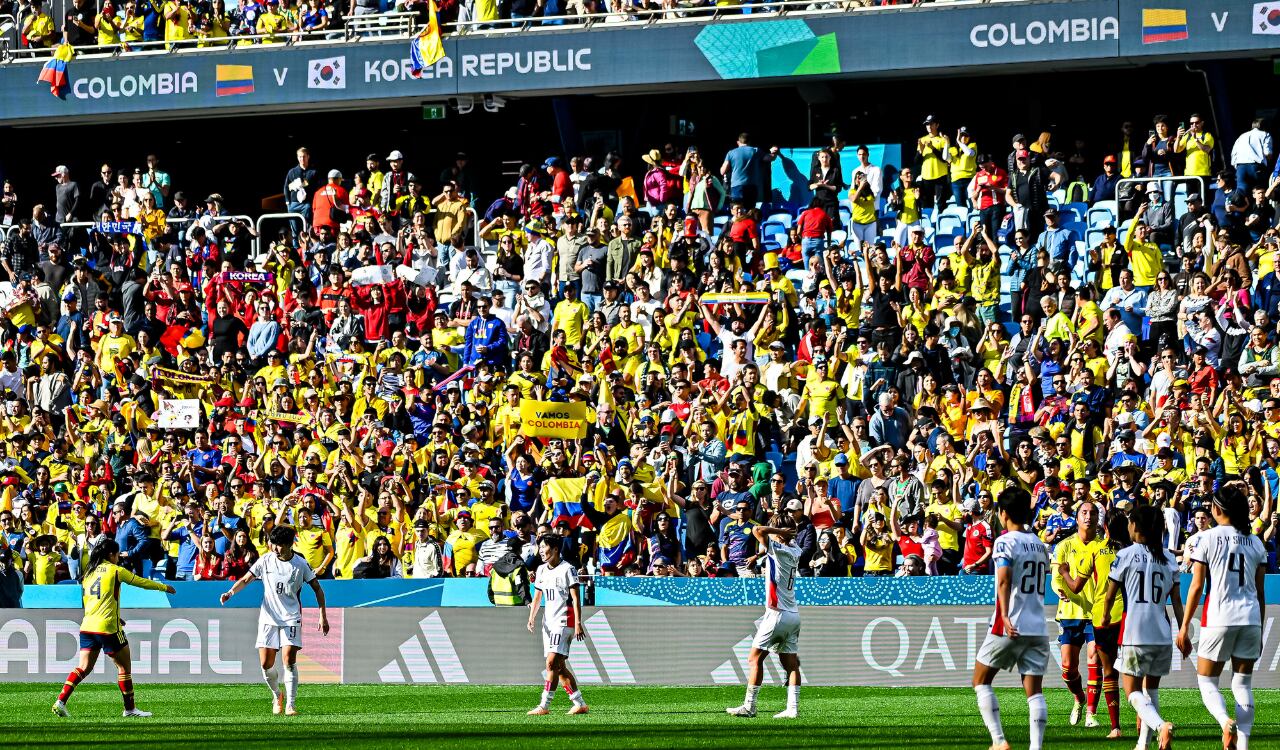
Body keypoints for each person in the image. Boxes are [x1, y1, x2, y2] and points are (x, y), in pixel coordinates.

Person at [1177, 485, 1267, 750]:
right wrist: (1259, 629)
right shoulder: (1256, 542)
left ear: (1216, 510)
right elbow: (1260, 592)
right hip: (1250, 618)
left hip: (1219, 616)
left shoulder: (1208, 538)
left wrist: (1183, 627)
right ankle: (1244, 745)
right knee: (1243, 683)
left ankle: (1224, 720)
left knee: (1206, 680)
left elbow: (1196, 586)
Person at [52, 538, 176, 719]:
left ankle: (60, 701)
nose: (118, 557)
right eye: (117, 554)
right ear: (111, 554)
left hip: (88, 626)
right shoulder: (115, 570)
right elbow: (140, 582)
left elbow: (90, 601)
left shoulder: (89, 573)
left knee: (83, 667)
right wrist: (163, 586)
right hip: (108, 627)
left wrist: (116, 616)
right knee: (124, 667)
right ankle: (130, 709)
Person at [219, 525, 330, 716]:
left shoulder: (300, 564)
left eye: (279, 545)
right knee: (265, 664)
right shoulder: (266, 560)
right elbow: (246, 579)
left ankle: (291, 704)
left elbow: (317, 589)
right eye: (273, 544)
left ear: (289, 545)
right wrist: (230, 592)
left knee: (289, 660)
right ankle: (277, 695)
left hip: (291, 617)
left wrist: (322, 615)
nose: (275, 548)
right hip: (268, 618)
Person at [972, 487, 1051, 750]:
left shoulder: (1005, 541)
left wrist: (1004, 615)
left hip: (1010, 624)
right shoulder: (1039, 544)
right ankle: (1036, 747)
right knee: (1034, 691)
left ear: (1003, 513)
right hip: (1038, 626)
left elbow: (1004, 579)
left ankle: (999, 741)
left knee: (981, 680)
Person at [1100, 505, 1183, 750]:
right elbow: (1176, 601)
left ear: (1135, 526)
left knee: (1132, 691)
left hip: (1135, 631)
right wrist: (1183, 630)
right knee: (1152, 689)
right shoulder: (1168, 557)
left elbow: (1109, 594)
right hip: (1162, 632)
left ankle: (1160, 727)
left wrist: (1105, 617)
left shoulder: (1125, 555)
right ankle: (1142, 744)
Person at [726, 514, 802, 719]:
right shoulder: (796, 549)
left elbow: (757, 530)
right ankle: (792, 709)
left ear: (781, 533)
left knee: (754, 659)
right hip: (793, 614)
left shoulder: (777, 548)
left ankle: (750, 706)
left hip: (776, 614)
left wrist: (777, 531)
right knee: (791, 664)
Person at [526, 534, 588, 716]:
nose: (541, 551)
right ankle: (580, 703)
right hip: (548, 622)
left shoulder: (568, 569)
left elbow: (576, 599)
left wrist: (578, 623)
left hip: (565, 619)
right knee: (559, 667)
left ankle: (544, 705)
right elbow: (538, 596)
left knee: (551, 662)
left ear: (554, 549)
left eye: (544, 547)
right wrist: (532, 617)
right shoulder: (541, 570)